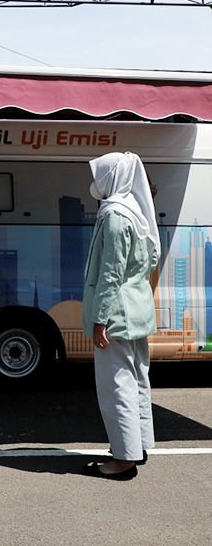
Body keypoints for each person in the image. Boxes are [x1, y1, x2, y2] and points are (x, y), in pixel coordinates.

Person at [82, 152, 160, 480]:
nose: (95, 181)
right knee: (137, 381)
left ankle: (123, 460)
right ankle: (137, 446)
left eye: (101, 174)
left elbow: (111, 273)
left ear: (113, 176)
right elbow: (151, 259)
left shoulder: (114, 215)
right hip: (137, 311)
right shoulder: (137, 212)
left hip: (116, 315)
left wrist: (100, 319)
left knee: (117, 387)